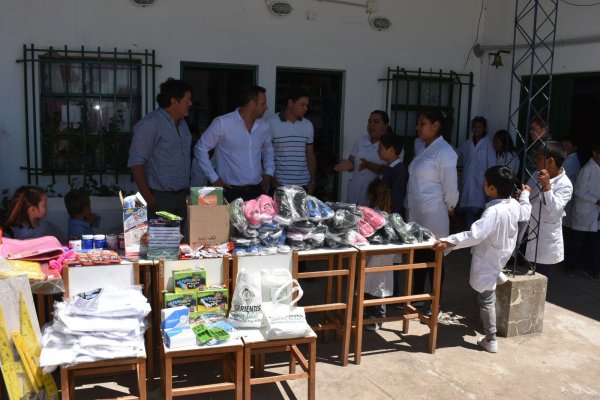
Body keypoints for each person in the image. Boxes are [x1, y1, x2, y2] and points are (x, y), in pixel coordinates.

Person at [434, 166, 532, 353]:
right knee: (491, 277)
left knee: (486, 298)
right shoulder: (513, 204)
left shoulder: (493, 212)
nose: (483, 185)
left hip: (490, 256)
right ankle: (498, 275)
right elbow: (525, 212)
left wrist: (450, 241)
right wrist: (526, 195)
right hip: (502, 253)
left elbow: (476, 234)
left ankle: (491, 338)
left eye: (485, 183)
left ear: (493, 188)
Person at [406, 109, 459, 315]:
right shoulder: (424, 147)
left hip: (434, 212)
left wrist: (451, 206)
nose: (418, 127)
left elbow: (451, 185)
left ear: (436, 126)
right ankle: (418, 298)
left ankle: (436, 302)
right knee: (419, 255)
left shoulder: (445, 152)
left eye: (423, 123)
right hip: (419, 211)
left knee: (434, 257)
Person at [127, 78, 193, 230]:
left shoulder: (183, 125)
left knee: (179, 246)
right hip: (160, 197)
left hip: (181, 196)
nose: (190, 103)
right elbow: (136, 162)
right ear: (174, 101)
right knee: (162, 248)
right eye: (187, 99)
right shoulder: (151, 124)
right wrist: (149, 198)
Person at [194, 85, 275, 202]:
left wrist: (268, 173)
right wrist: (214, 178)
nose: (266, 107)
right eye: (263, 103)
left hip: (257, 191)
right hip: (230, 191)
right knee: (227, 221)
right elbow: (200, 149)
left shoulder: (264, 126)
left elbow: (268, 150)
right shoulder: (222, 123)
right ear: (252, 104)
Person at [525, 141, 573, 277]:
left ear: (550, 161)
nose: (536, 161)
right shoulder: (536, 174)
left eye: (539, 158)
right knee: (523, 273)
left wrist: (547, 188)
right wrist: (523, 194)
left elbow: (555, 211)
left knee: (539, 278)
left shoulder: (565, 184)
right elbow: (529, 196)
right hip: (528, 231)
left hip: (545, 239)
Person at [334, 110, 392, 206]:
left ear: (386, 126)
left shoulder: (390, 145)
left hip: (374, 198)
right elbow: (352, 162)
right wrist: (349, 165)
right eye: (369, 122)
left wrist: (368, 165)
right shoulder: (361, 140)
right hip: (354, 194)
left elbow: (390, 173)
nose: (371, 125)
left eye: (376, 122)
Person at [269, 86, 317, 194]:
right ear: (290, 103)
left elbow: (310, 154)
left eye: (307, 105)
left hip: (303, 186)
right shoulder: (271, 124)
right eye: (302, 105)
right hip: (280, 185)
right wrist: (273, 181)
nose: (306, 108)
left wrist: (312, 182)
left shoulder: (308, 125)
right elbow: (266, 155)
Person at [565, 141, 600, 280]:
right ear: (595, 153)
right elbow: (579, 190)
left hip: (596, 213)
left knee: (595, 243)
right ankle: (570, 267)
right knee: (577, 242)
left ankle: (592, 269)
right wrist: (596, 201)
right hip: (584, 211)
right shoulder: (588, 169)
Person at [363, 178, 394, 331]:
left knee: (369, 285)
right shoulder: (390, 215)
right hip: (386, 257)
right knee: (380, 285)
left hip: (372, 256)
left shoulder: (370, 214)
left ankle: (373, 317)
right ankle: (378, 316)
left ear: (370, 195)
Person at [458, 117, 497, 229]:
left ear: (484, 128)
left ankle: (475, 237)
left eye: (479, 127)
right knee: (468, 209)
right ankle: (470, 235)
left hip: (481, 183)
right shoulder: (467, 144)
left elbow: (492, 165)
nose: (476, 129)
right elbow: (457, 153)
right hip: (467, 181)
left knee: (479, 210)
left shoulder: (488, 145)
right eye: (474, 126)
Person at [377, 133, 408, 217]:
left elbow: (396, 200)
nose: (378, 151)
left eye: (380, 148)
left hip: (390, 217)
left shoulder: (399, 172)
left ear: (392, 150)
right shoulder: (385, 168)